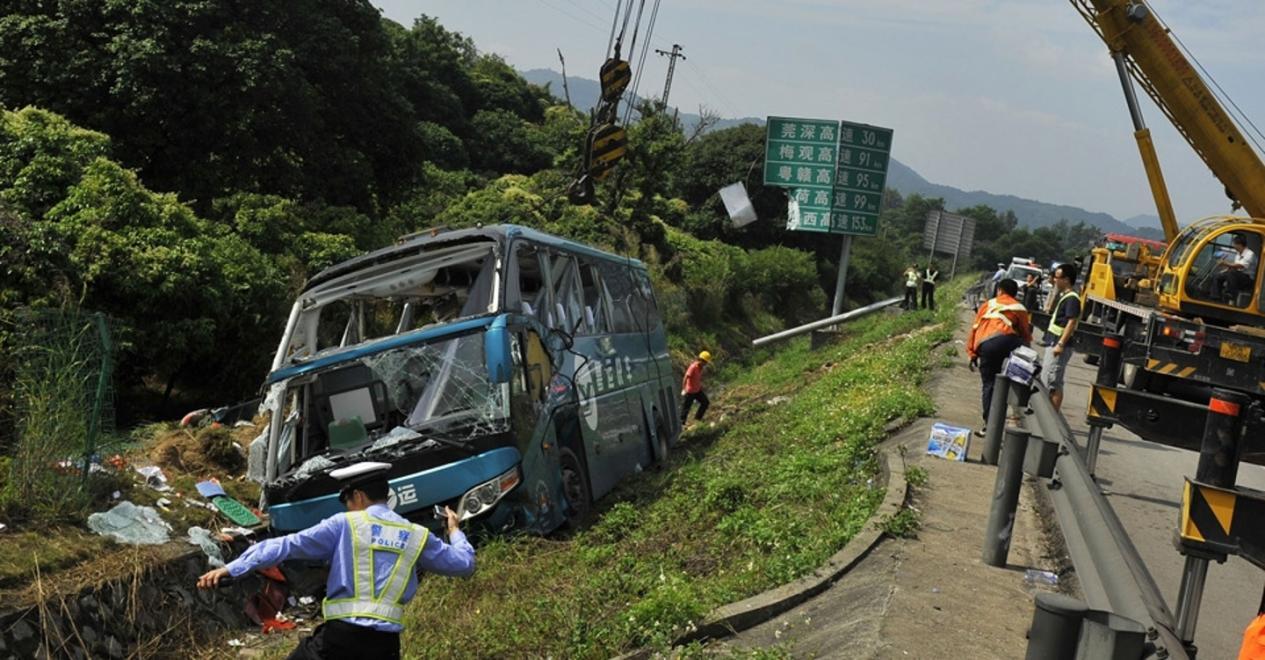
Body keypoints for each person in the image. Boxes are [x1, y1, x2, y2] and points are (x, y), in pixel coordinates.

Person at [196, 462, 475, 659]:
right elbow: (464, 565)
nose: (348, 507)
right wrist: (454, 531)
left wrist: (232, 568)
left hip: (340, 640)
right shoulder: (417, 535)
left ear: (358, 496)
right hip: (385, 646)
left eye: (347, 501)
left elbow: (284, 545)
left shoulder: (345, 524)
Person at [966, 278, 1032, 436]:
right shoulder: (1020, 308)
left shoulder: (988, 304)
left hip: (987, 343)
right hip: (1010, 342)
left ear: (999, 290)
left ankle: (989, 424)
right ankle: (1015, 409)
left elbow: (976, 328)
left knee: (989, 385)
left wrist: (972, 353)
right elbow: (1025, 333)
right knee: (1012, 381)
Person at [1042, 262, 1081, 411]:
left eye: (1057, 277)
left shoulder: (1072, 298)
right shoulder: (1064, 296)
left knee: (1054, 381)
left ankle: (1052, 418)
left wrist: (1061, 344)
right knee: (1049, 378)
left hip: (1059, 345)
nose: (1054, 280)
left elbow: (1072, 322)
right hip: (1053, 341)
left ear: (1067, 279)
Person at [1214, 234, 1257, 303]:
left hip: (1248, 279)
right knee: (1218, 276)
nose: (1233, 246)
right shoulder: (1238, 254)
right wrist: (1225, 270)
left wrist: (1225, 263)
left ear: (1240, 244)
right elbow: (1234, 267)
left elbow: (1240, 266)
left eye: (1234, 244)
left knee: (1231, 273)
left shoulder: (1250, 254)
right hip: (1237, 275)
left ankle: (1230, 293)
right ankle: (1216, 297)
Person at [680, 350, 711, 427]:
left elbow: (697, 378)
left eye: (706, 362)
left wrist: (700, 385)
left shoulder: (700, 368)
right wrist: (683, 389)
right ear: (700, 360)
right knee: (686, 408)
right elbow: (686, 377)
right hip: (690, 391)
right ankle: (682, 423)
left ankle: (698, 418)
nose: (705, 364)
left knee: (705, 402)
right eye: (704, 362)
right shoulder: (693, 367)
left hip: (697, 390)